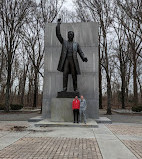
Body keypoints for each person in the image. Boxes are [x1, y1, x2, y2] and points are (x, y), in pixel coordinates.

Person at [56, 18, 88, 92]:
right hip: (66, 60)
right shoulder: (64, 42)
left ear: (73, 36)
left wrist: (84, 58)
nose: (70, 35)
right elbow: (58, 35)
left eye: (71, 34)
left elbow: (80, 52)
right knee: (65, 74)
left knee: (74, 75)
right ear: (67, 36)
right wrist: (58, 24)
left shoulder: (76, 44)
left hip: (73, 60)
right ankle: (64, 89)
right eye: (69, 34)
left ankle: (75, 89)